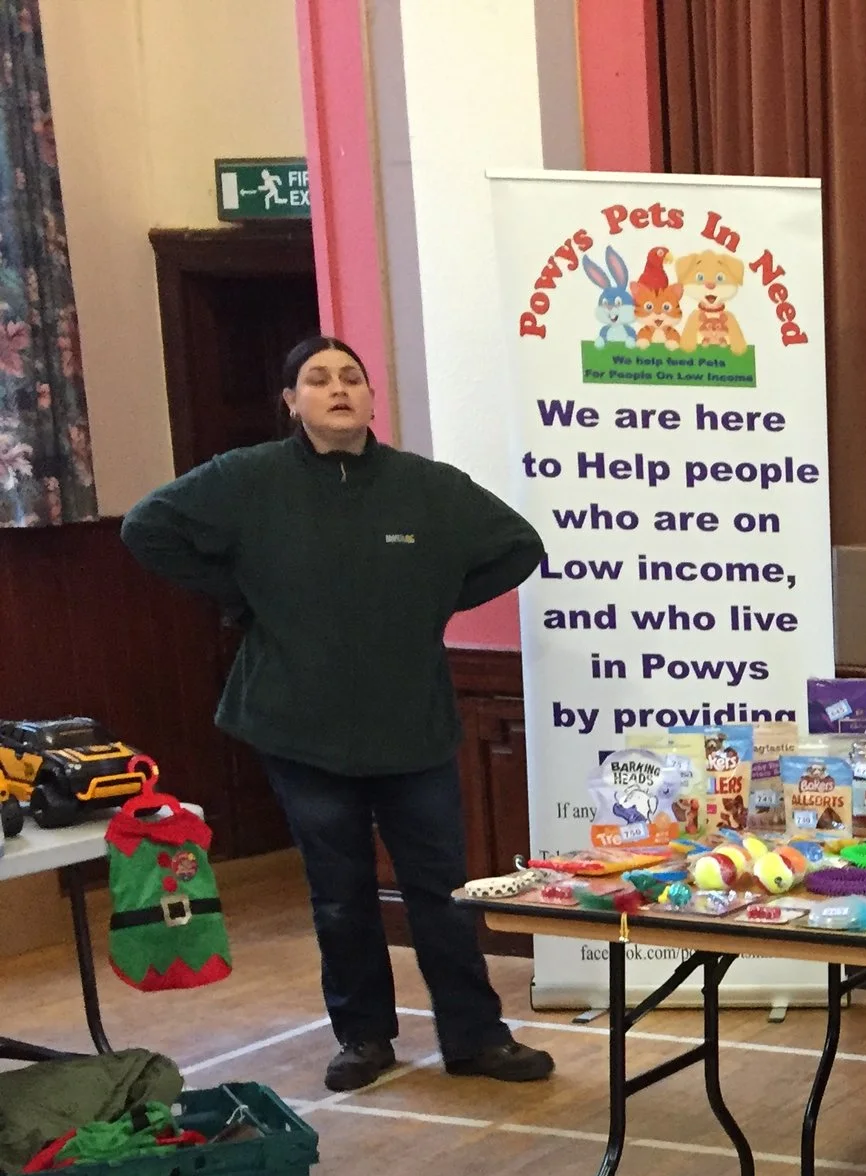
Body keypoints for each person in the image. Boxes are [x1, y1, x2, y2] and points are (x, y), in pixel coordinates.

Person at [122, 336, 556, 1092]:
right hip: (299, 724)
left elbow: (518, 545)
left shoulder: (426, 488)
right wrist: (240, 594)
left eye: (351, 377)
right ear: (291, 401)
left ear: (371, 397)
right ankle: (362, 1037)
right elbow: (145, 528)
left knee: (442, 890)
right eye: (317, 379)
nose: (338, 389)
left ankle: (476, 1037)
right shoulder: (246, 479)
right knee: (341, 892)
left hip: (410, 725)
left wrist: (430, 599)